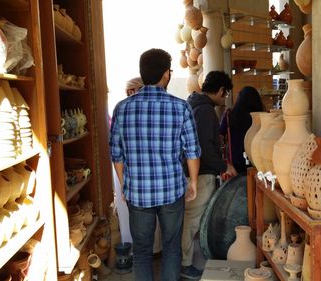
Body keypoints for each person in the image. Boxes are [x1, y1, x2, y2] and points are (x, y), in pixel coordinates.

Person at [109, 48, 201, 281]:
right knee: (171, 249)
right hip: (171, 191)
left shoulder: (122, 108)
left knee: (141, 252)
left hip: (138, 193)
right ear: (165, 75)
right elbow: (192, 151)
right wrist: (194, 183)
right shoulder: (181, 107)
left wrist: (124, 185)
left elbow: (116, 154)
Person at [181, 70, 238, 279]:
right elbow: (204, 147)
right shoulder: (205, 111)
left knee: (191, 218)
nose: (225, 99)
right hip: (200, 173)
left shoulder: (192, 104)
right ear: (221, 90)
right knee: (192, 220)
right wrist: (224, 167)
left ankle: (186, 261)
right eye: (225, 94)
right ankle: (185, 265)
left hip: (192, 171)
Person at [219, 86, 264, 174]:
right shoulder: (260, 117)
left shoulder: (229, 115)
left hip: (235, 161)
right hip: (256, 159)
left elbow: (220, 135)